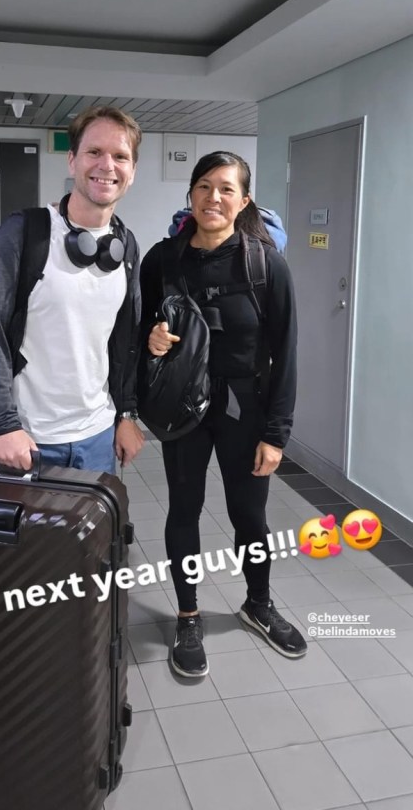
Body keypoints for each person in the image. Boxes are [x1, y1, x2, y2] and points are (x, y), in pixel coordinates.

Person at [139, 151, 306, 678]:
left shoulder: (265, 265)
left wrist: (276, 434)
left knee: (250, 516)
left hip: (245, 411)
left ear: (244, 200)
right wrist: (152, 339)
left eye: (227, 189)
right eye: (204, 186)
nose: (214, 197)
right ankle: (188, 616)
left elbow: (287, 354)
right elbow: (139, 334)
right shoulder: (162, 261)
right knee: (183, 511)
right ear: (190, 194)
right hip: (182, 407)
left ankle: (258, 603)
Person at [0, 106, 145, 474]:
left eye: (120, 156)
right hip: (26, 439)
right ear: (72, 160)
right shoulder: (23, 234)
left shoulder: (125, 246)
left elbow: (125, 339)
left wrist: (126, 414)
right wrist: (3, 425)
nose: (107, 165)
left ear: (132, 171)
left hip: (98, 436)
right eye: (94, 152)